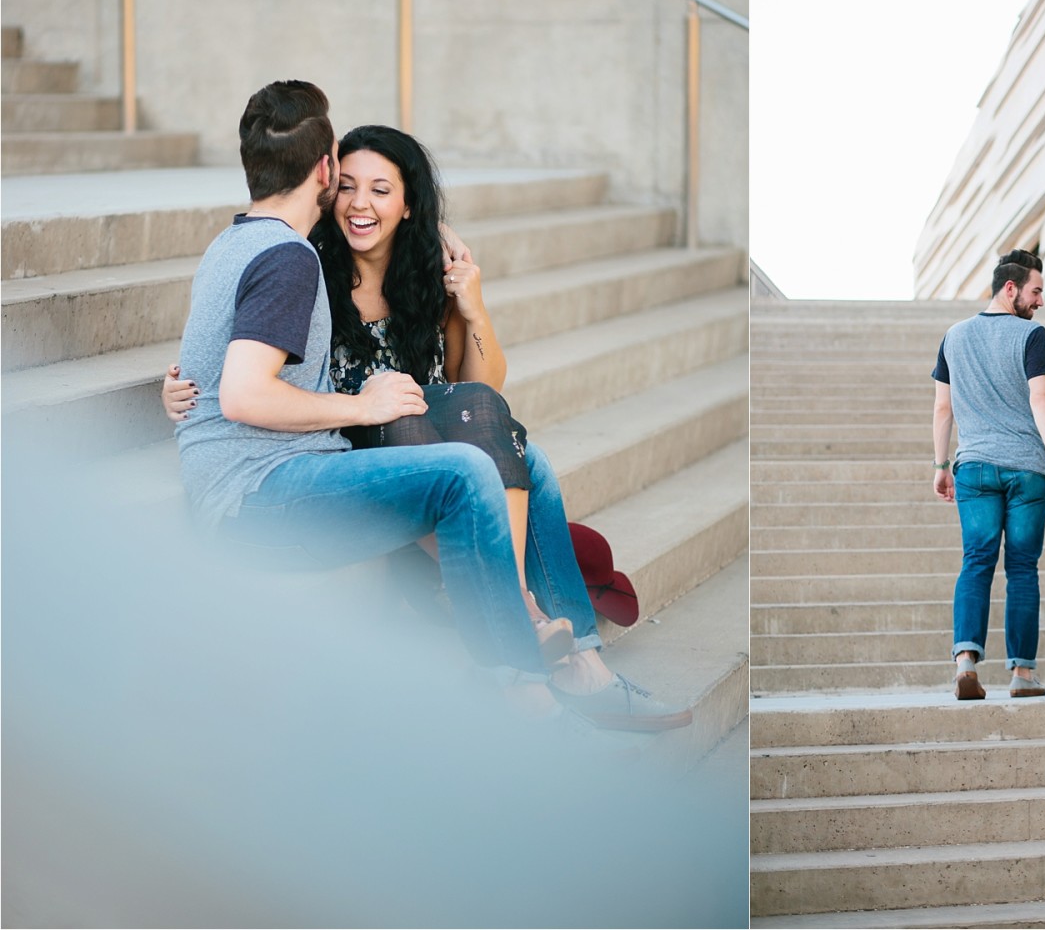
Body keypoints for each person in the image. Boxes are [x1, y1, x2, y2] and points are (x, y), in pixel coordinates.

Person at [172, 81, 689, 732]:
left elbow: (232, 358)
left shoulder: (245, 242)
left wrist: (470, 307)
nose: (359, 201)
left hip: (299, 456)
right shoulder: (298, 258)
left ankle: (580, 662)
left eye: (381, 189)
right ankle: (523, 654)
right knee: (460, 465)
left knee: (524, 449)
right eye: (349, 182)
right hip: (277, 474)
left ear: (410, 203)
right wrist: (357, 405)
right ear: (327, 171)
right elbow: (245, 388)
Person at [932, 249, 1045, 701]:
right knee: (1022, 569)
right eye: (1036, 291)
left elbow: (942, 407)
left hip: (973, 466)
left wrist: (940, 465)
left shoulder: (954, 336)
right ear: (1010, 288)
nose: (1041, 302)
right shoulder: (1031, 335)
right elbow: (1041, 398)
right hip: (1028, 470)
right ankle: (1023, 674)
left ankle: (966, 661)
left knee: (976, 560)